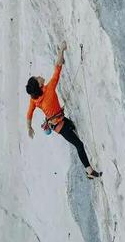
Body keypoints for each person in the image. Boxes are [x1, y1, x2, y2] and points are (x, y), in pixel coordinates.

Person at [26, 42, 102, 179]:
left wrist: (29, 127)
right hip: (61, 126)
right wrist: (61, 49)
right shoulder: (48, 90)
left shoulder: (35, 99)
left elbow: (29, 114)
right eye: (37, 78)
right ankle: (89, 171)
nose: (39, 76)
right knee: (79, 145)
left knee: (73, 127)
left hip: (58, 124)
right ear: (39, 84)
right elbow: (57, 67)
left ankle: (88, 168)